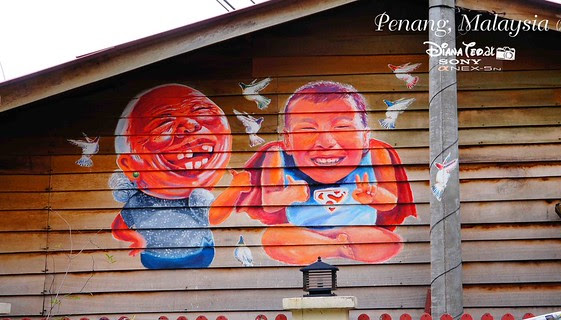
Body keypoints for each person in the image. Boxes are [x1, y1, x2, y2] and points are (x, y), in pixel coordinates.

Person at [237, 81, 416, 264]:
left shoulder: (376, 153)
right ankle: (338, 247)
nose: (326, 142)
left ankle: (325, 248)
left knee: (389, 242)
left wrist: (374, 195)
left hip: (357, 231)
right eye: (308, 129)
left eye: (342, 127)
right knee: (274, 238)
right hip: (303, 233)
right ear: (288, 140)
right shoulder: (277, 156)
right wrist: (289, 194)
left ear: (364, 137)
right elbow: (269, 203)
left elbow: (391, 201)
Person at [110, 84, 249, 269]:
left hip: (198, 255)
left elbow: (213, 215)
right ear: (129, 165)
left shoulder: (195, 196)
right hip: (154, 258)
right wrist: (135, 239)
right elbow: (119, 227)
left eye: (201, 111)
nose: (190, 125)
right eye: (163, 123)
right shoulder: (138, 201)